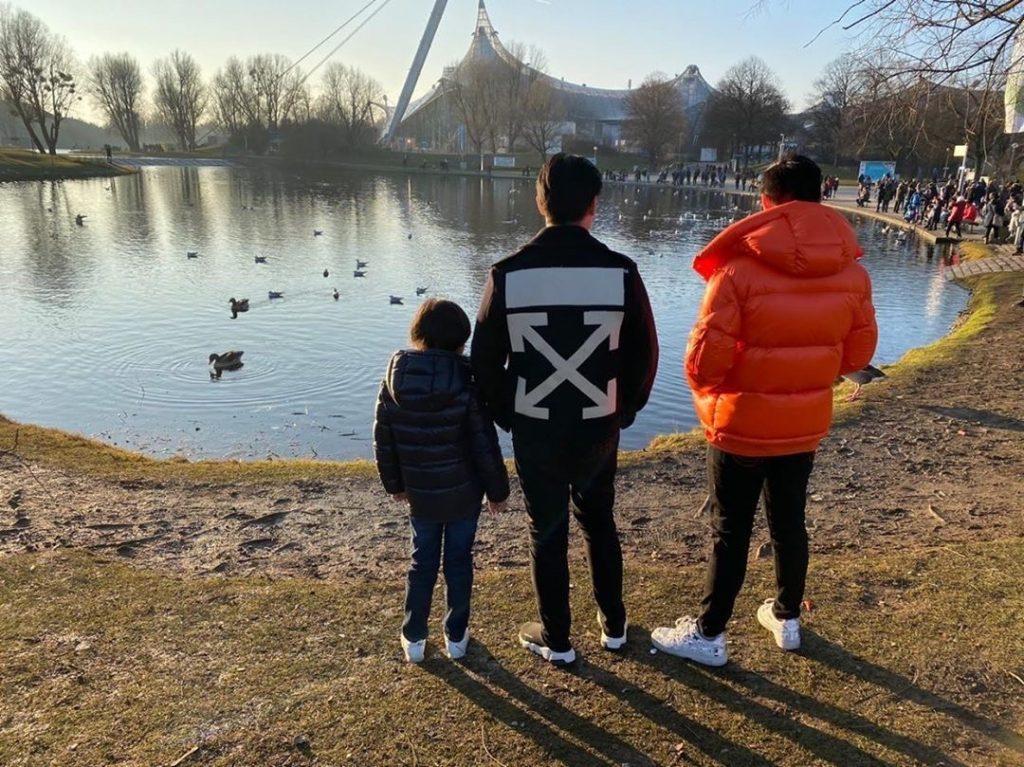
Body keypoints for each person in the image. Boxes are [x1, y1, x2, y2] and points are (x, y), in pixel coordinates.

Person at [651, 155, 877, 667]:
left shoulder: (736, 271)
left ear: (766, 204)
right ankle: (788, 618)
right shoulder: (852, 273)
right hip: (804, 424)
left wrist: (716, 389)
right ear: (819, 197)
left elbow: (703, 363)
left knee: (730, 530)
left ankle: (709, 634)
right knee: (789, 521)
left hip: (740, 425)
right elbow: (858, 357)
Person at [472, 153, 659, 665]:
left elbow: (484, 360)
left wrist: (507, 413)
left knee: (546, 529)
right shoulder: (622, 272)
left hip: (536, 426)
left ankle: (557, 639)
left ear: (540, 202)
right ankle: (614, 625)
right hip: (599, 423)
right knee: (600, 520)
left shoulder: (507, 274)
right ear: (594, 204)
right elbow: (646, 353)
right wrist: (626, 409)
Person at [373, 299, 511, 664]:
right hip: (464, 494)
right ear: (460, 341)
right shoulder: (468, 379)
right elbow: (484, 442)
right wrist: (498, 491)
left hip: (420, 493)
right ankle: (456, 636)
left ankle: (414, 637)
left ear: (418, 334)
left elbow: (384, 439)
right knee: (459, 561)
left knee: (422, 562)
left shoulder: (394, 377)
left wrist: (394, 484)